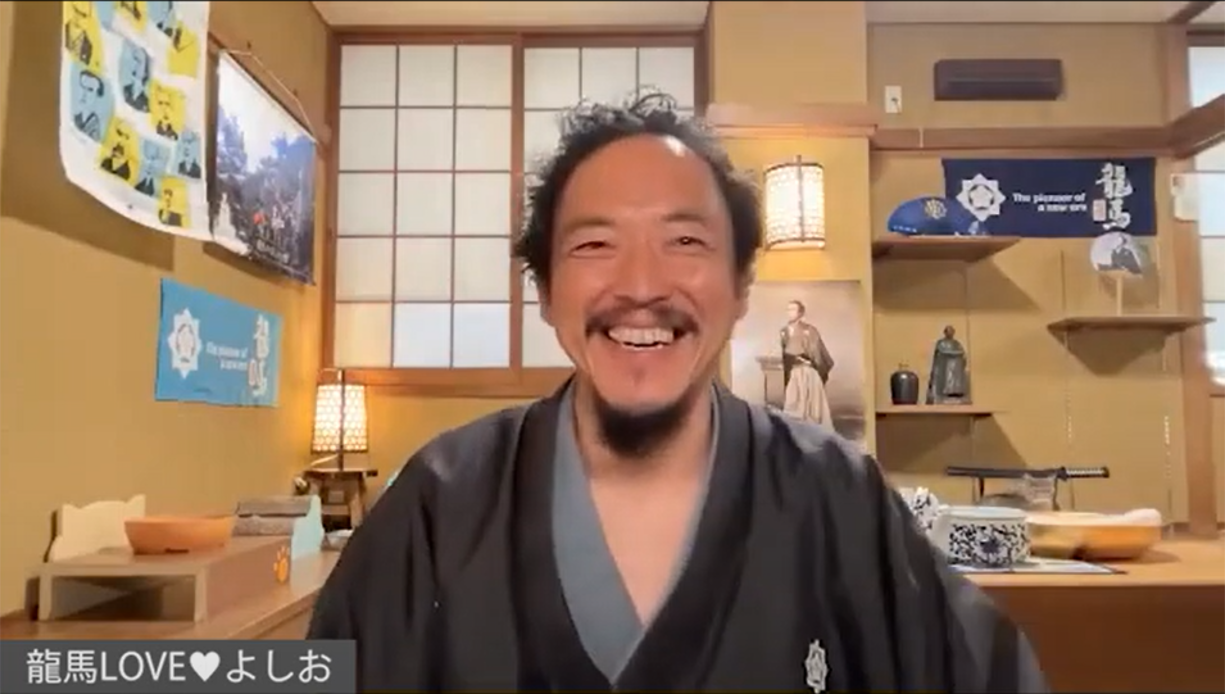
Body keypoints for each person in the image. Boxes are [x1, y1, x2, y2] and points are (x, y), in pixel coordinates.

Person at [307, 93, 1049, 693]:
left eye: (685, 242)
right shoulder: (440, 502)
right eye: (594, 244)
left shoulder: (835, 495)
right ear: (546, 293)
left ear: (740, 288)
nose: (640, 285)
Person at [780, 299, 834, 425]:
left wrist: (813, 364)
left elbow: (818, 353)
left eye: (793, 309)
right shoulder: (784, 331)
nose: (790, 312)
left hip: (808, 372)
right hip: (793, 372)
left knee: (811, 409)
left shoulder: (810, 330)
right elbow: (784, 353)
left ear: (800, 313)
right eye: (788, 309)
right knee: (793, 405)